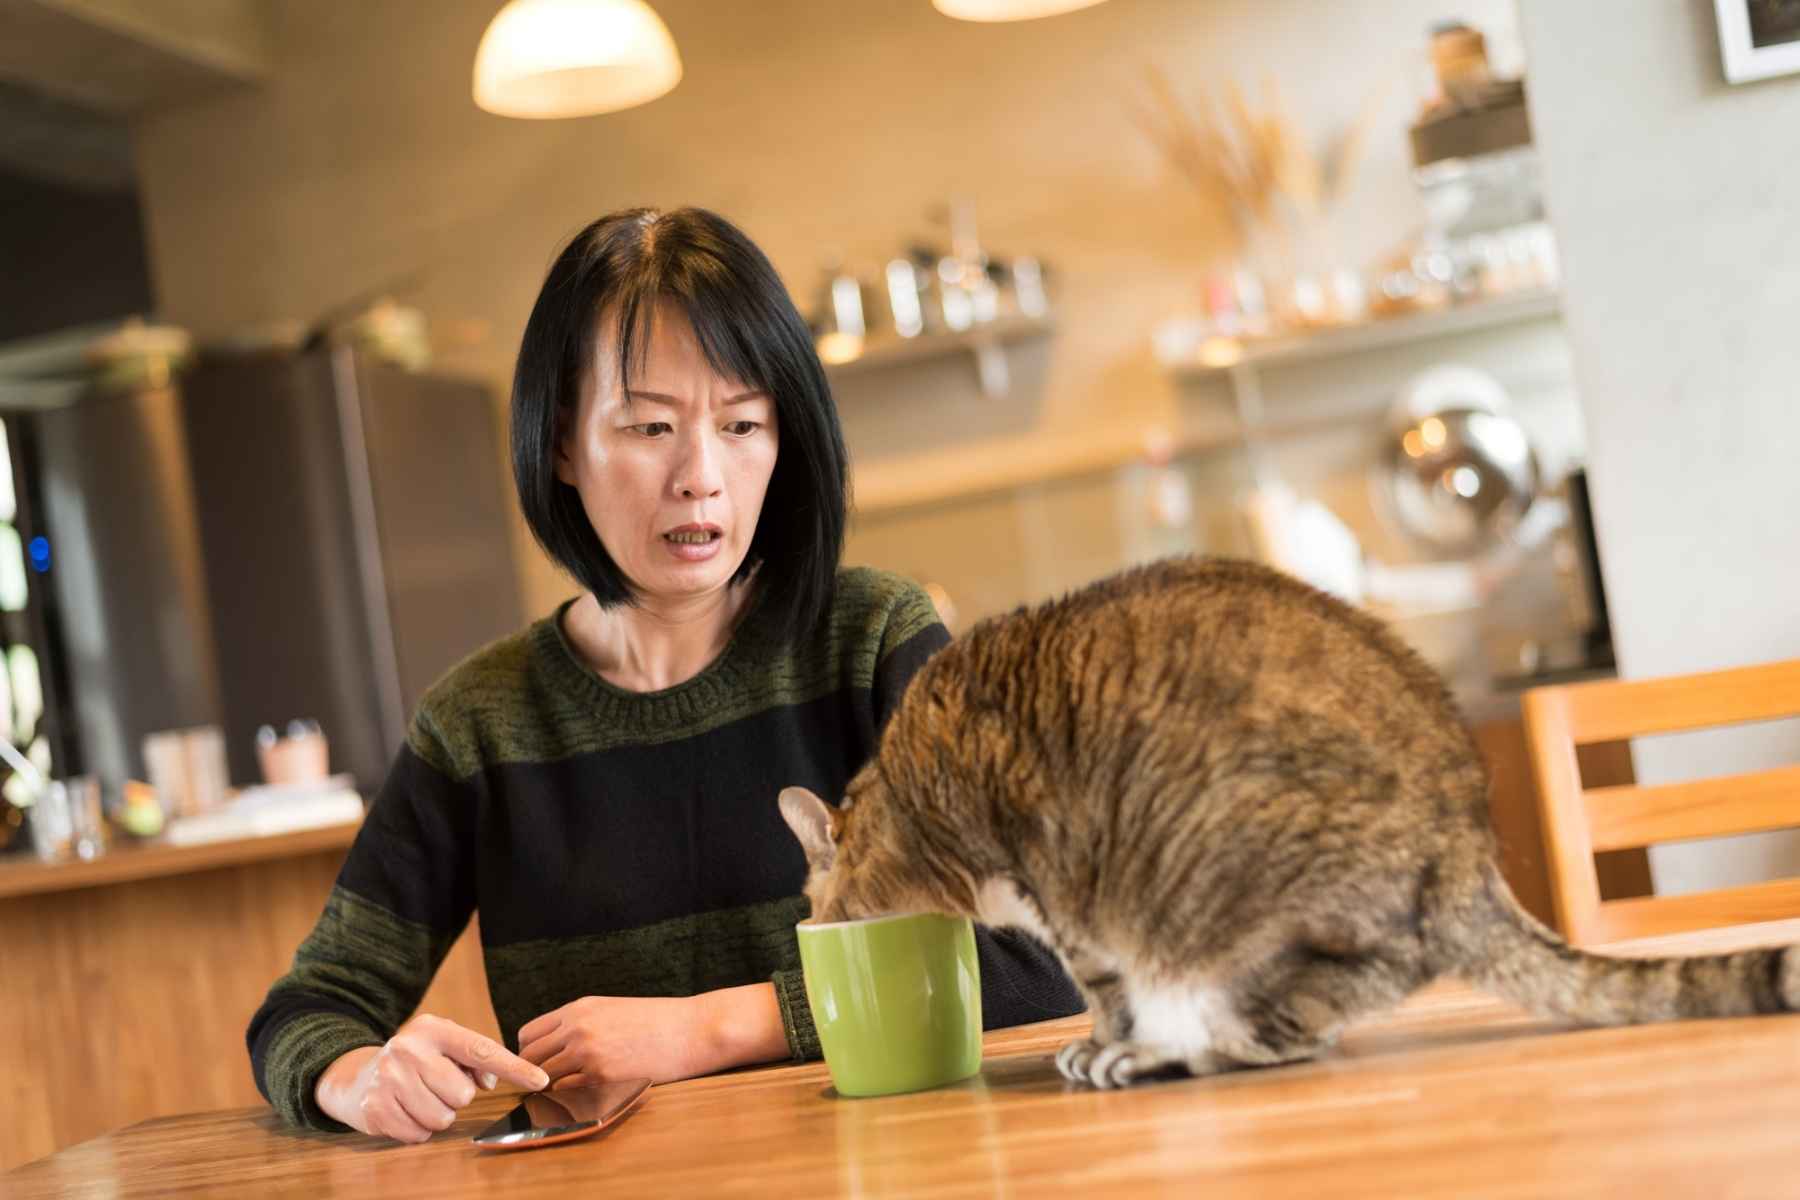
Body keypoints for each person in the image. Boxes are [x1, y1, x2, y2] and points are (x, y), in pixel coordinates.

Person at [247, 207, 1083, 1143]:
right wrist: (359, 1077)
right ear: (563, 444)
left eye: (742, 424)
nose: (702, 475)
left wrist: (704, 1028)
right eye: (650, 426)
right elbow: (308, 1010)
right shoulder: (479, 724)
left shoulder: (874, 643)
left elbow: (1045, 952)